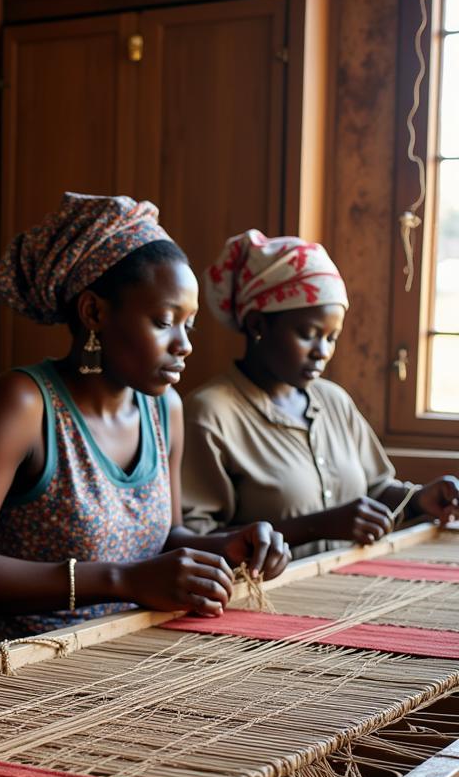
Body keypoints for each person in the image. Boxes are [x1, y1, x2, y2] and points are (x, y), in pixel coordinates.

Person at [0, 193, 290, 660]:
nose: (184, 345)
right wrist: (122, 580)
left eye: (190, 326)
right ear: (94, 313)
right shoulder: (24, 405)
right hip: (14, 669)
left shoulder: (164, 408)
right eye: (164, 322)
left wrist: (230, 545)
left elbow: (163, 537)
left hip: (123, 657)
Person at [181, 229, 459, 558]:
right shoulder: (209, 414)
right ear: (258, 325)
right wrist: (316, 526)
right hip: (266, 602)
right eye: (309, 334)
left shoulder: (333, 401)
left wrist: (417, 500)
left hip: (350, 591)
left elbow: (374, 490)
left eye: (332, 337)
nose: (322, 352)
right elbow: (195, 540)